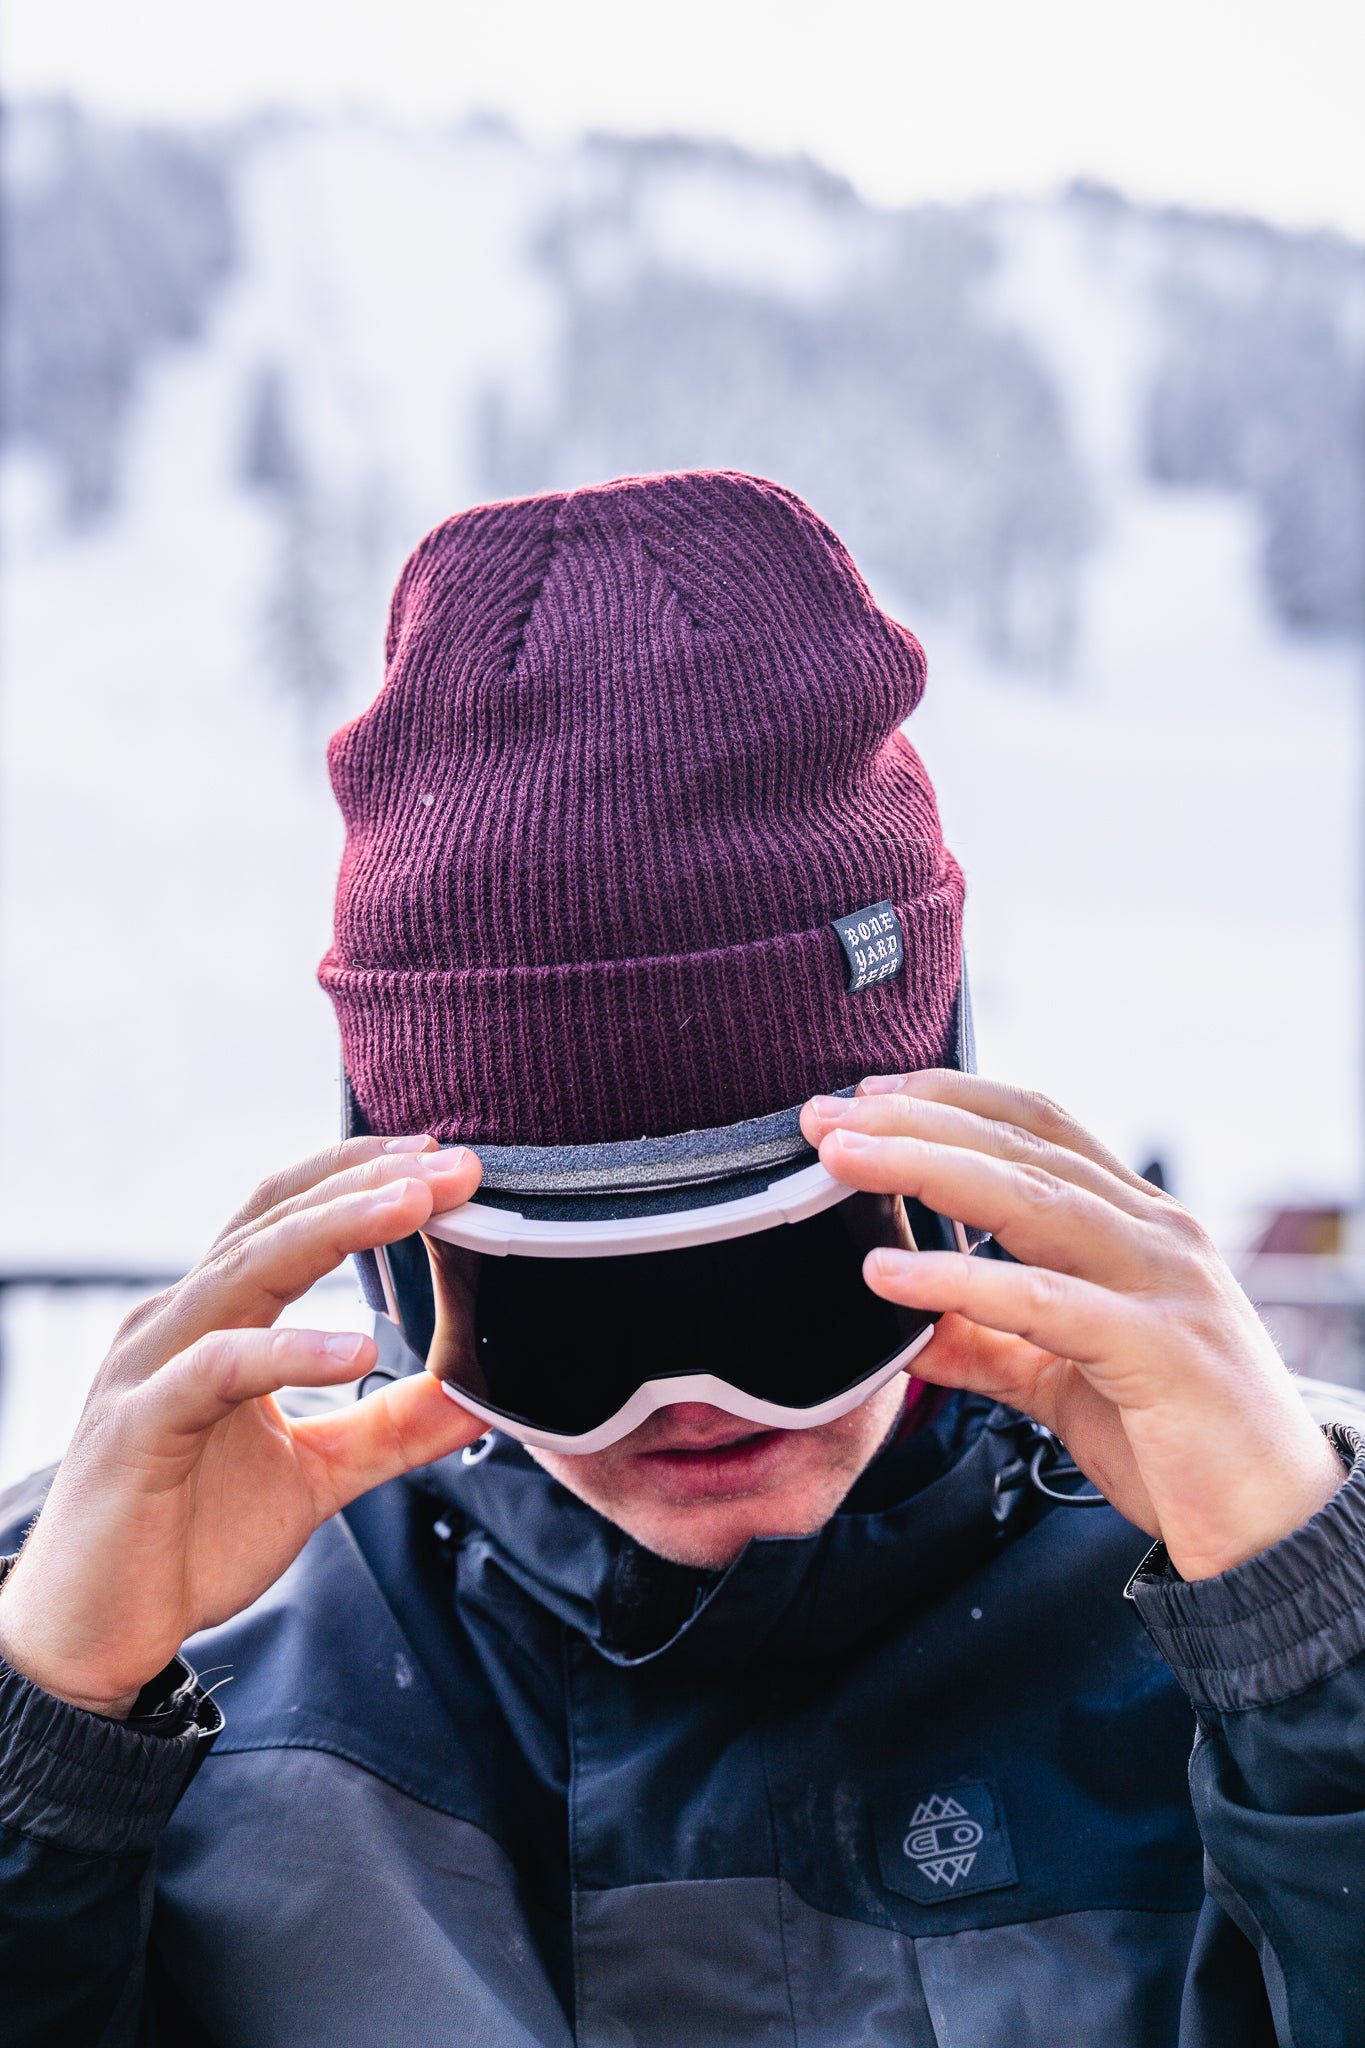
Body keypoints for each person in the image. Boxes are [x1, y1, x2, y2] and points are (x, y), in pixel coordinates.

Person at [1, 470, 1363, 2048]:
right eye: (571, 1315)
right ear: (395, 1244)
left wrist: (1315, 1661)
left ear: (958, 1157)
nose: (691, 1404)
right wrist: (48, 1755)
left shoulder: (1266, 1570)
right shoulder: (139, 1629)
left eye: (780, 1280)